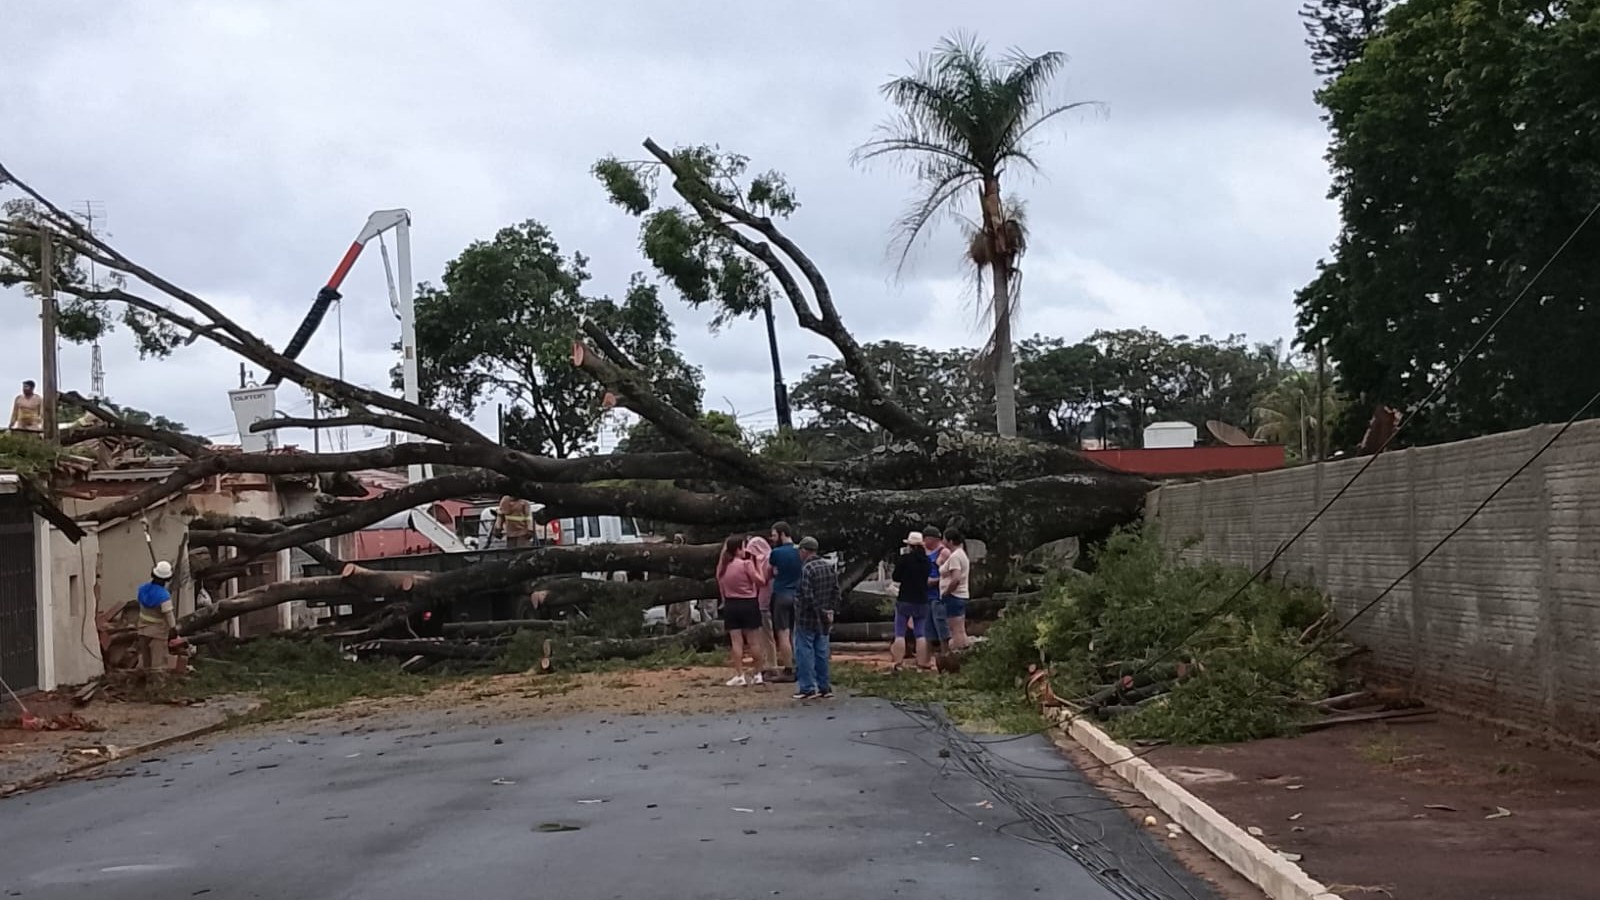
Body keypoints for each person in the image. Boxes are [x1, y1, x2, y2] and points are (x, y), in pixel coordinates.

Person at [715, 534, 766, 686]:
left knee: (736, 642)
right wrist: (757, 565)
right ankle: (757, 674)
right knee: (754, 642)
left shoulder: (723, 568)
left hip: (731, 604)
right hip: (748, 603)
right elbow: (761, 581)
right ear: (738, 549)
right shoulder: (746, 565)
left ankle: (739, 674)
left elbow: (721, 587)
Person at [792, 536, 839, 700]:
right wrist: (829, 610)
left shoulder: (807, 569)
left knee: (804, 651)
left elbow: (807, 594)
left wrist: (817, 610)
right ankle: (824, 687)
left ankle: (807, 687)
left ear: (805, 551)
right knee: (821, 652)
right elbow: (836, 590)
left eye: (800, 550)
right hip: (825, 618)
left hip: (807, 617)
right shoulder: (828, 567)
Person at [890, 532, 933, 669]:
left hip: (905, 598)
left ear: (910, 545)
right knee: (920, 634)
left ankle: (898, 662)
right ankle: (922, 663)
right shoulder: (927, 561)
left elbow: (896, 577)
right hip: (922, 599)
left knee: (900, 633)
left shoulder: (905, 559)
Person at [767, 521, 803, 678]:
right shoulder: (800, 551)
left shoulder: (776, 553)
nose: (772, 538)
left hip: (781, 594)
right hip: (799, 595)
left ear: (782, 534)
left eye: (774, 535)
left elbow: (773, 571)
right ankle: (801, 665)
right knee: (799, 632)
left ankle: (788, 668)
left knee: (783, 633)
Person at [136, 561, 178, 673]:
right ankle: (156, 686)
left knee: (145, 661)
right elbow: (168, 614)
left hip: (142, 629)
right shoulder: (163, 595)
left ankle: (143, 684)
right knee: (158, 663)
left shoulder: (142, 589)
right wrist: (173, 629)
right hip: (158, 633)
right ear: (168, 578)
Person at [939, 528, 973, 651]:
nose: (942, 541)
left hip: (954, 596)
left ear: (951, 541)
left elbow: (956, 578)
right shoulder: (961, 554)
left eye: (944, 539)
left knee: (956, 630)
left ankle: (959, 655)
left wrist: (947, 592)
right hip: (960, 596)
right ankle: (964, 652)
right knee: (960, 628)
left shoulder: (955, 557)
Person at [922, 526, 953, 650]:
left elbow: (949, 574)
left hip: (938, 595)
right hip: (926, 595)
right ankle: (926, 656)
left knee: (941, 625)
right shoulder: (923, 552)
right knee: (927, 627)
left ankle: (946, 652)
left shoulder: (943, 552)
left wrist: (934, 581)